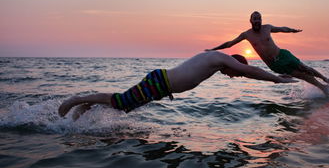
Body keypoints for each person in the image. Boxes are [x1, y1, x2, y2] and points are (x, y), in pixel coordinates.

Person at [58, 51, 297, 120]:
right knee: (120, 101)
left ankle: (86, 107)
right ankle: (77, 100)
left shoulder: (218, 62)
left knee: (123, 107)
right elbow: (252, 70)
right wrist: (277, 79)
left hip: (161, 86)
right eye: (235, 74)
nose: (231, 77)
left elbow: (249, 74)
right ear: (235, 64)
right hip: (159, 82)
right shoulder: (221, 59)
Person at [206, 11, 329, 97]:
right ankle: (323, 88)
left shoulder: (267, 28)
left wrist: (291, 30)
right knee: (301, 75)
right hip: (274, 65)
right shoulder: (246, 34)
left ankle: (326, 80)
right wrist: (213, 49)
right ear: (250, 20)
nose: (258, 20)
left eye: (259, 18)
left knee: (305, 68)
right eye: (255, 18)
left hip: (282, 54)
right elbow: (229, 43)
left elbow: (281, 29)